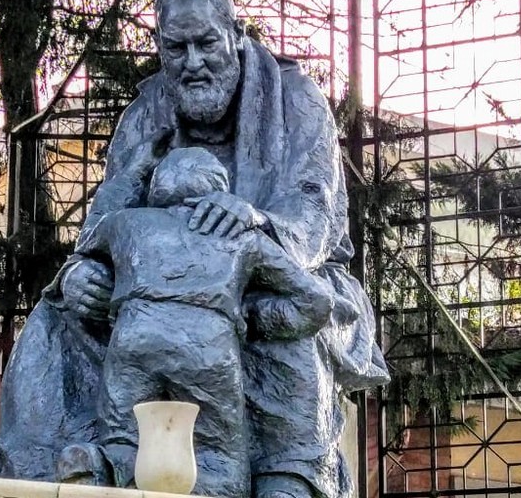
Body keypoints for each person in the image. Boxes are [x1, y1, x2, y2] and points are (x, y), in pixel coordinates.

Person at [0, 0, 390, 496]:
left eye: (207, 44)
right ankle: (71, 475)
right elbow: (106, 222)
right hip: (152, 293)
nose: (192, 63)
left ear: (237, 37)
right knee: (54, 322)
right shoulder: (143, 113)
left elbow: (313, 213)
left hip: (279, 271)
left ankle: (290, 477)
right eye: (176, 49)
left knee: (289, 323)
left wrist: (255, 220)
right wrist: (82, 275)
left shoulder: (297, 100)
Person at [73, 147, 341, 498]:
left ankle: (103, 466)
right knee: (220, 453)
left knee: (124, 435)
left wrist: (76, 272)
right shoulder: (243, 236)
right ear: (220, 193)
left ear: (156, 188)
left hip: (133, 340)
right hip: (208, 349)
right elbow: (316, 301)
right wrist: (255, 319)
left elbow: (83, 250)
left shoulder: (123, 222)